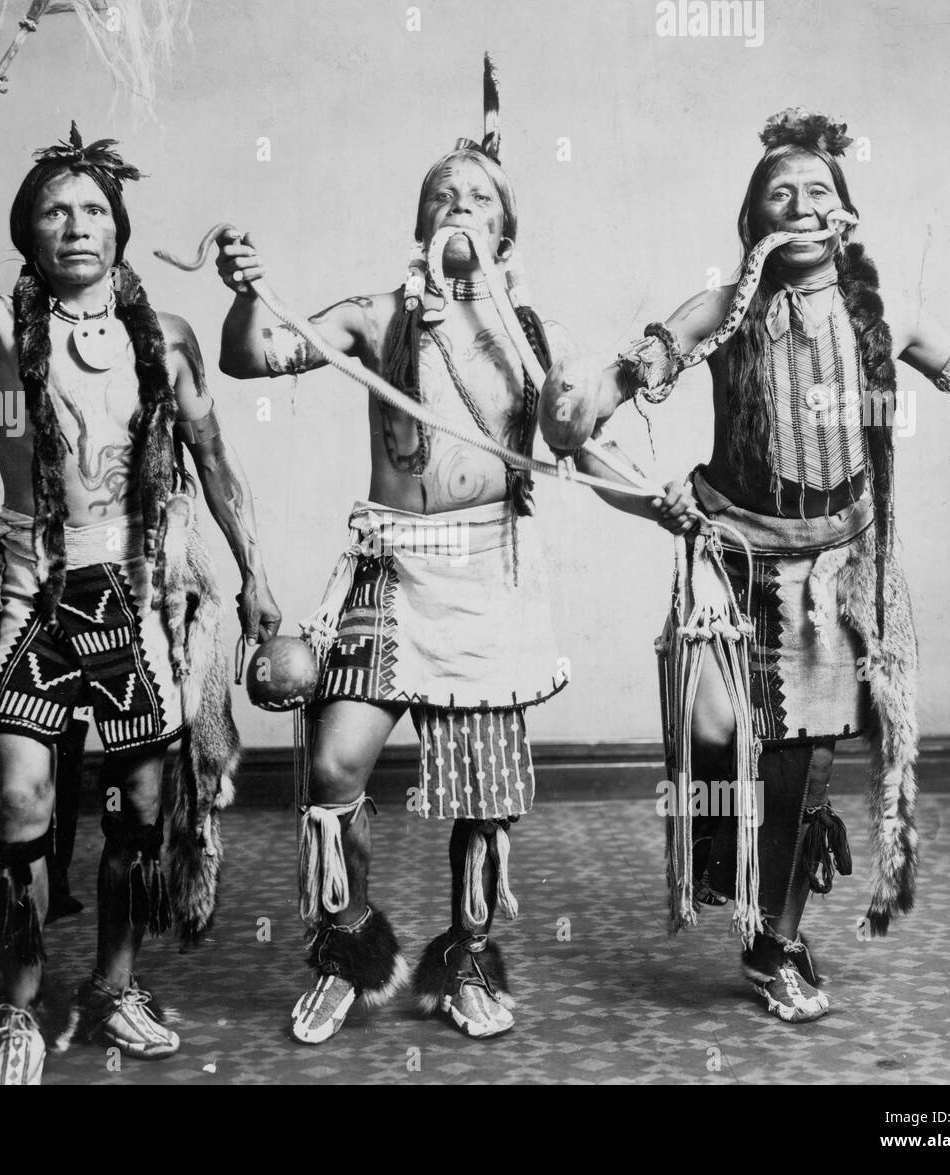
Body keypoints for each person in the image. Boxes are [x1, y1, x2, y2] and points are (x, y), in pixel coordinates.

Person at [563, 108, 950, 1023]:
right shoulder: (723, 308)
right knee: (743, 748)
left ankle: (772, 934)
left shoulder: (882, 305)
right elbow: (625, 377)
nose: (800, 204)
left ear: (846, 213)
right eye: (778, 192)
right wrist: (580, 409)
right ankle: (759, 919)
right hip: (737, 559)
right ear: (753, 222)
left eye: (818, 189)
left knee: (809, 761)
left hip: (842, 567)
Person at [0, 124, 280, 1083]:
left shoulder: (165, 338)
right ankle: (20, 1005)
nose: (76, 225)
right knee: (20, 800)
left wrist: (258, 581)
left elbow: (213, 462)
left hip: (140, 590)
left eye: (92, 209)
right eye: (54, 210)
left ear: (118, 228)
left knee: (142, 807)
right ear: (28, 232)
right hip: (37, 586)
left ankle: (113, 986)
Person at [216, 58, 568, 1043]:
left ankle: (465, 955)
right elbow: (253, 355)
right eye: (439, 198)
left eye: (477, 198)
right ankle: (353, 943)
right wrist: (247, 291)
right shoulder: (375, 317)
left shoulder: (527, 334)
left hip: (489, 573)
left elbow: (578, 422)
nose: (457, 208)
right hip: (390, 567)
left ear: (505, 230)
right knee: (331, 768)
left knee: (485, 798)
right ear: (418, 225)